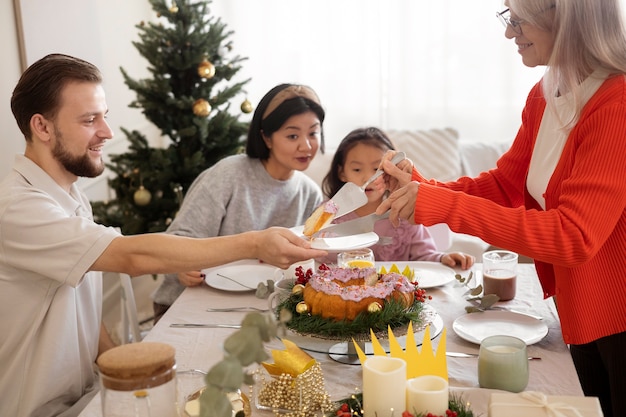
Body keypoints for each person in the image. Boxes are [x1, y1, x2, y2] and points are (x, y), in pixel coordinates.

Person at [0, 53, 327, 417]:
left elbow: (81, 310)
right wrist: (254, 241)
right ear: (42, 128)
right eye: (90, 120)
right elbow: (132, 257)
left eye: (104, 116)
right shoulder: (17, 209)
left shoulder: (70, 196)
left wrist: (120, 369)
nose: (107, 132)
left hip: (86, 395)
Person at [377, 1, 626, 415]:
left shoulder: (617, 105)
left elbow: (573, 236)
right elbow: (505, 184)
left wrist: (444, 204)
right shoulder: (549, 91)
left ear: (564, 16)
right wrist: (421, 188)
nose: (510, 33)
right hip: (581, 306)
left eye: (518, 19)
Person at [151, 83, 325, 323]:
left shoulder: (310, 192)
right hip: (188, 303)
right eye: (292, 135)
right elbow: (179, 238)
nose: (306, 146)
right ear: (266, 137)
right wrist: (182, 266)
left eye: (313, 133)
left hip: (261, 306)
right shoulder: (228, 174)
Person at [318, 126, 474, 269]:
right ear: (342, 173)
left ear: (391, 170)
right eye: (357, 169)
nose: (368, 178)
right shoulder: (328, 214)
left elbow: (424, 256)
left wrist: (444, 258)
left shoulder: (404, 212)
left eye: (376, 169)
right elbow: (318, 258)